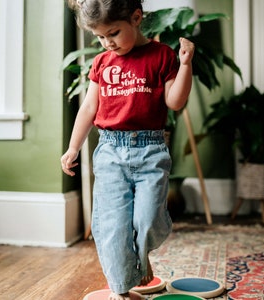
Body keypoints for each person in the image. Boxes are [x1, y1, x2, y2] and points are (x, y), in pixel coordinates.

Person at [61, 1, 194, 299]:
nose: (107, 42)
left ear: (136, 18)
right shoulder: (102, 62)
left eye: (114, 33)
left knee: (147, 221)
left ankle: (142, 251)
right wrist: (73, 148)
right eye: (100, 37)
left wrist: (185, 65)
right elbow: (88, 109)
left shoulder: (161, 56)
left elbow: (174, 101)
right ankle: (120, 290)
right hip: (110, 151)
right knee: (113, 224)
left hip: (151, 150)